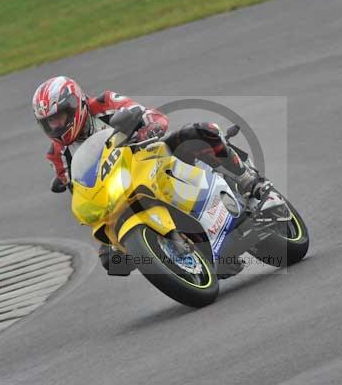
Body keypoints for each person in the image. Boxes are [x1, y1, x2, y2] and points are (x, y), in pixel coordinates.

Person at [32, 76, 265, 274]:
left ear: (75, 104)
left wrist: (149, 127)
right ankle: (172, 260)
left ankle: (247, 180)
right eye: (49, 122)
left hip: (152, 155)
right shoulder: (57, 155)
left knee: (201, 132)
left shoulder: (104, 103)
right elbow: (81, 191)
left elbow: (149, 115)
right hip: (119, 190)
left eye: (59, 117)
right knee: (112, 261)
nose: (56, 126)